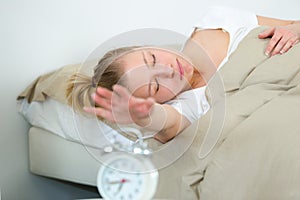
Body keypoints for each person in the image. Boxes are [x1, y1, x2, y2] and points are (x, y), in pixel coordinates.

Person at [67, 6, 300, 143]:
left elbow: (294, 23)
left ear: (147, 45)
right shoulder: (187, 106)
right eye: (155, 87)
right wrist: (145, 116)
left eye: (153, 59)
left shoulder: (217, 21)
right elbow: (166, 123)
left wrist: (293, 30)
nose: (167, 70)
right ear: (159, 101)